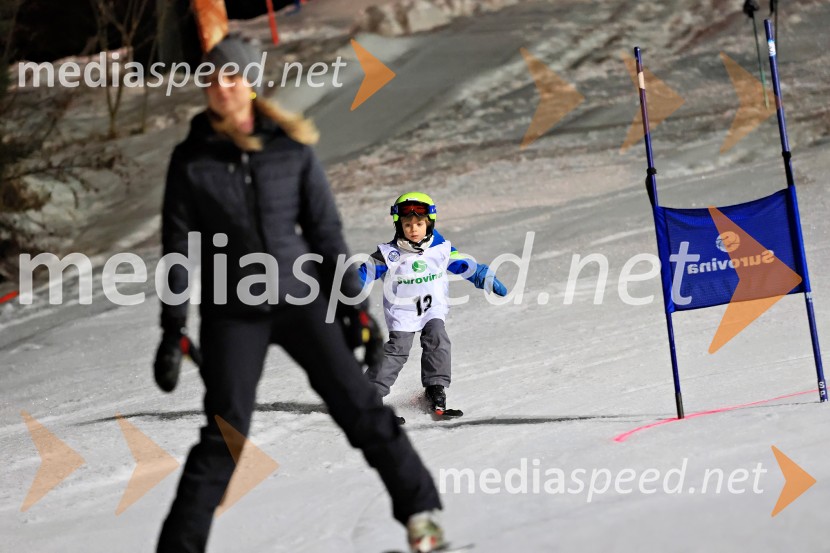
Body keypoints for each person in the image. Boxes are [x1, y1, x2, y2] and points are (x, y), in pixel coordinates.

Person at [152, 35, 446, 553]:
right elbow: (177, 247)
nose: (220, 86)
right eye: (212, 78)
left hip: (302, 299)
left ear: (250, 84)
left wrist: (355, 308)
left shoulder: (289, 150)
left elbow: (325, 235)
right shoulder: (191, 160)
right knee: (225, 432)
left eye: (231, 76)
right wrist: (172, 325)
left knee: (359, 406)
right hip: (232, 312)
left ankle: (421, 517)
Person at [358, 192, 508, 412]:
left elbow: (464, 265)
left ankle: (435, 388)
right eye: (407, 224)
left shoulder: (440, 248)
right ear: (399, 225)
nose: (414, 229)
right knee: (398, 350)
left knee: (438, 339)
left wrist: (484, 276)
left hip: (431, 308)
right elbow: (364, 273)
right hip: (403, 311)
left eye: (419, 224)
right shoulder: (389, 253)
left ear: (429, 223)